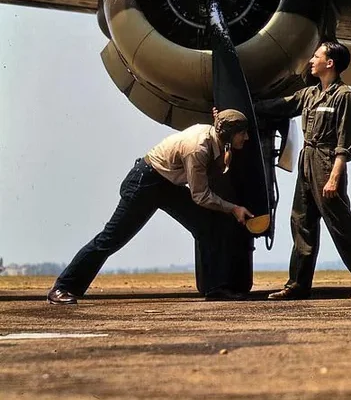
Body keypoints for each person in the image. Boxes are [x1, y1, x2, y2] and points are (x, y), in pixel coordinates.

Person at [47, 109, 254, 305]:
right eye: (242, 133)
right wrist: (233, 208)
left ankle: (215, 288)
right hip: (145, 183)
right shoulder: (197, 148)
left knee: (207, 224)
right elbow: (200, 195)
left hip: (166, 184)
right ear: (228, 133)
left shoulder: (216, 139)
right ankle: (62, 287)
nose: (246, 138)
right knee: (111, 239)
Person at [255, 41, 351, 301]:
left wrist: (335, 176)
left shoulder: (345, 96)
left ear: (330, 63)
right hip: (307, 159)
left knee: (341, 223)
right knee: (301, 222)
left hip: (327, 162)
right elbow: (279, 106)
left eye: (316, 56)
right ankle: (297, 285)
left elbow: (346, 142)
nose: (311, 60)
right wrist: (243, 105)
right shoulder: (309, 95)